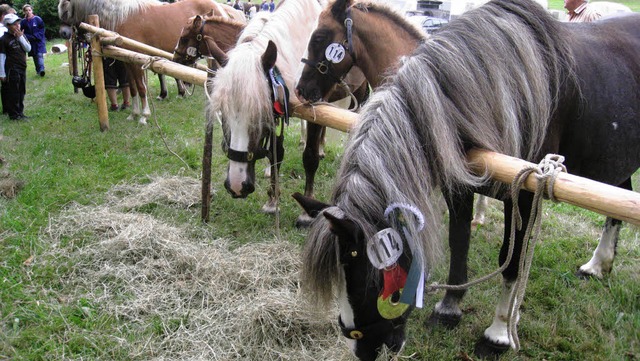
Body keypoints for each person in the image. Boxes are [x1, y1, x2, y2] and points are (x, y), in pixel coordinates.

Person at [0, 13, 31, 120]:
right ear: (8, 25)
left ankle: (20, 112)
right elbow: (1, 57)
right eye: (14, 24)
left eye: (18, 23)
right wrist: (2, 73)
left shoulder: (21, 35)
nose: (18, 26)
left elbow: (28, 49)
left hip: (22, 67)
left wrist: (21, 38)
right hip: (12, 69)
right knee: (14, 91)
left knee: (22, 90)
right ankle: (13, 114)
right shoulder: (4, 39)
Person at [20, 4, 46, 77]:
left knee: (39, 55)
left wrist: (37, 36)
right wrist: (28, 37)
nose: (28, 12)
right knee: (35, 56)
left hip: (39, 41)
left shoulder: (38, 19)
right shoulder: (23, 22)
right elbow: (22, 32)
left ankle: (42, 69)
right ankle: (38, 70)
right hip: (31, 42)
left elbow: (42, 29)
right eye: (26, 10)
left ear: (32, 10)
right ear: (24, 12)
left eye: (29, 10)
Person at [0, 4, 17, 115]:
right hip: (3, 59)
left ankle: (9, 107)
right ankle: (7, 108)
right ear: (3, 16)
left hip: (9, 61)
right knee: (5, 84)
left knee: (8, 85)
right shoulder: (1, 30)